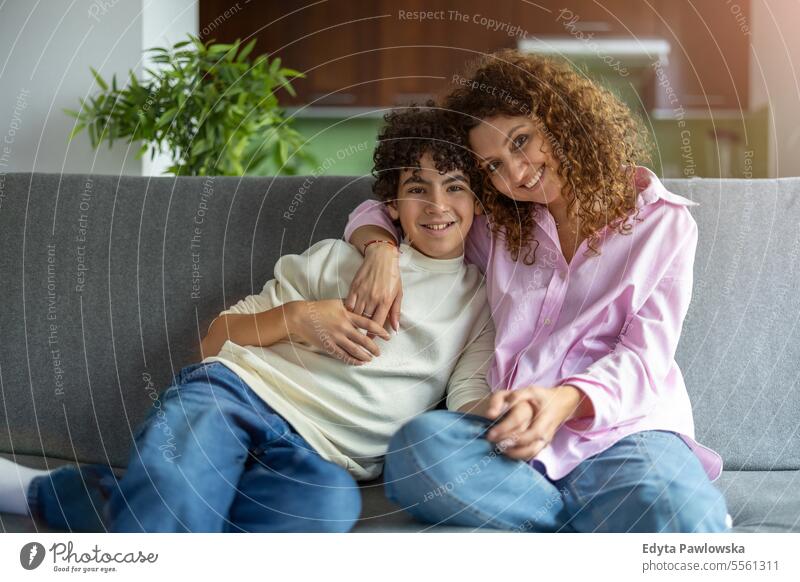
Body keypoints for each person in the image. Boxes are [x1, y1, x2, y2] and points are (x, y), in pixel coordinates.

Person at [0, 105, 495, 532]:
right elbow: (214, 342)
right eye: (417, 187)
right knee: (180, 479)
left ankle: (61, 495)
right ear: (392, 202)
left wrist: (508, 414)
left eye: (454, 187)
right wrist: (301, 317)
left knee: (326, 507)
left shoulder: (481, 304)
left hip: (319, 459)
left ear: (477, 199)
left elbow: (471, 395)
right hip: (234, 395)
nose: (437, 205)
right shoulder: (342, 259)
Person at [343, 50, 731, 533]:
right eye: (492, 166)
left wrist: (562, 402)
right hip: (508, 439)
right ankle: (589, 525)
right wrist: (380, 249)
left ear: (563, 121)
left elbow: (643, 358)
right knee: (417, 449)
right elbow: (390, 209)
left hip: (622, 432)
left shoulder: (663, 224)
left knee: (683, 517)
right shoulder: (499, 226)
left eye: (522, 141)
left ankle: (558, 523)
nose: (517, 173)